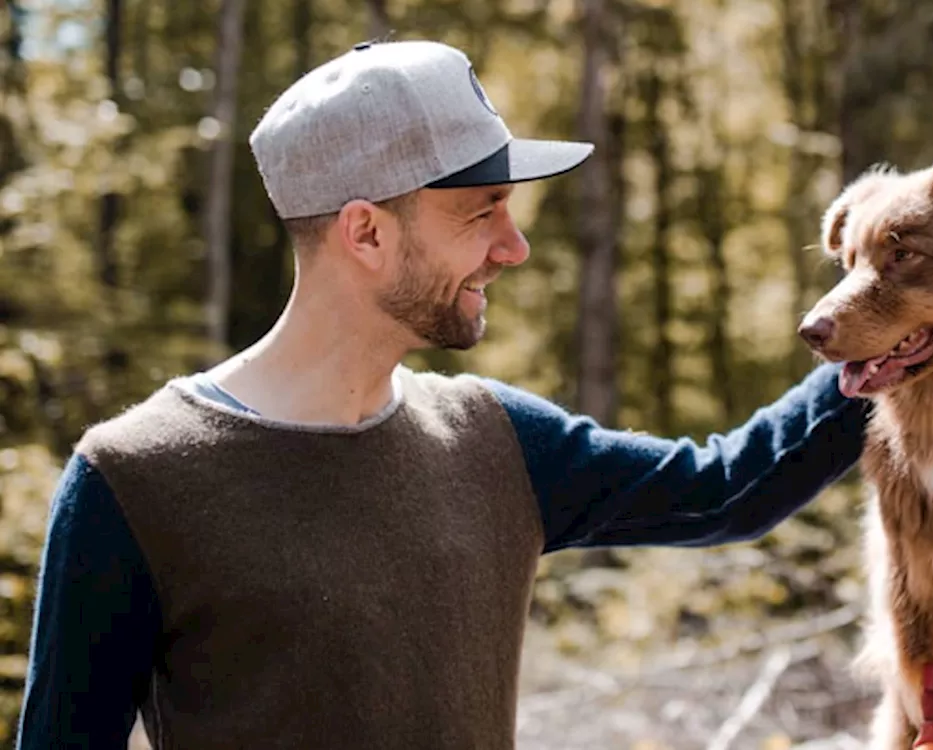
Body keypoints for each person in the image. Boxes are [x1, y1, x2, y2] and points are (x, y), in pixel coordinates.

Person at [16, 39, 870, 750]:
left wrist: (886, 350)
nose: (515, 246)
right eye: (481, 211)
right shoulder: (133, 481)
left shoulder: (495, 439)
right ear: (367, 232)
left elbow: (725, 487)